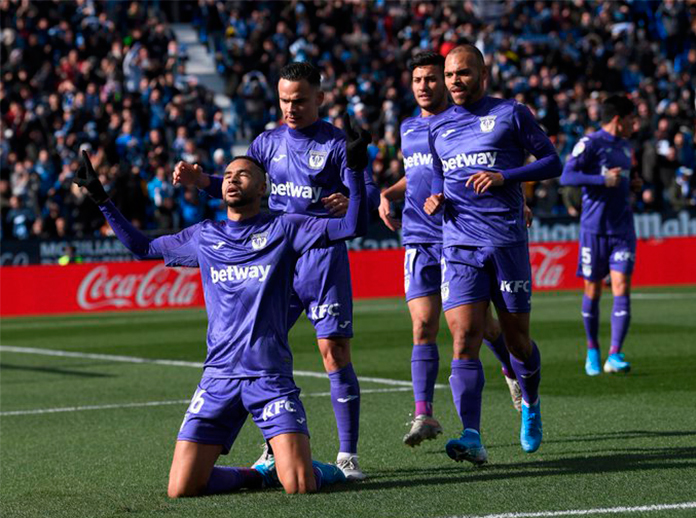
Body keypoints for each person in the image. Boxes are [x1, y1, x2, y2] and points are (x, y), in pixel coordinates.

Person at [73, 149, 369, 496]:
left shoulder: (286, 227)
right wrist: (101, 198)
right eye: (228, 174)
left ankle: (328, 471)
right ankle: (260, 475)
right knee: (181, 487)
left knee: (301, 484)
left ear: (263, 189)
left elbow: (353, 225)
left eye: (243, 174)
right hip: (218, 379)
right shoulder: (204, 235)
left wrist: (355, 168)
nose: (232, 178)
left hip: (269, 377)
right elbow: (142, 248)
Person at [172, 62, 378, 480]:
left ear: (319, 98)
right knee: (258, 354)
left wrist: (350, 196)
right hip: (271, 262)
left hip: (321, 258)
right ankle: (272, 447)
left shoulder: (339, 143)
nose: (291, 107)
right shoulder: (266, 143)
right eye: (284, 99)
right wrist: (203, 180)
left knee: (334, 353)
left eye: (299, 100)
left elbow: (368, 193)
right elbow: (243, 185)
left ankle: (347, 455)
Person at [377, 51, 527, 448]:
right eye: (418, 80)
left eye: (432, 79)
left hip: (457, 235)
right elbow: (418, 175)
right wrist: (386, 193)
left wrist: (516, 197)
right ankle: (424, 413)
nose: (425, 87)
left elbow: (476, 165)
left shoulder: (464, 123)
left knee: (479, 329)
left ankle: (512, 371)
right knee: (423, 325)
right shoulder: (409, 127)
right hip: (417, 237)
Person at [424, 45, 562, 463]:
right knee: (465, 336)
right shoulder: (438, 127)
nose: (454, 81)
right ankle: (472, 436)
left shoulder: (511, 114)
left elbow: (552, 162)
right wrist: (435, 196)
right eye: (449, 75)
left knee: (518, 342)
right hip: (459, 243)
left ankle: (531, 403)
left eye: (462, 73)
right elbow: (438, 172)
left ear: (483, 74)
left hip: (505, 242)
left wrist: (506, 176)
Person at [560, 95, 641, 376]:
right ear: (619, 119)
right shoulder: (590, 143)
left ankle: (614, 354)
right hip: (594, 230)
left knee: (622, 286)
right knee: (593, 289)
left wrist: (633, 184)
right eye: (633, 118)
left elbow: (621, 180)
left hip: (622, 229)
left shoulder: (625, 146)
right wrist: (601, 180)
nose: (636, 123)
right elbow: (567, 176)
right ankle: (592, 350)